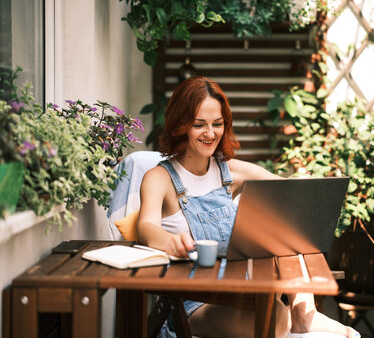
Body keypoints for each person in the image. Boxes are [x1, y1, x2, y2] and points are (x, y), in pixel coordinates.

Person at [137, 76, 360, 338]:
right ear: (181, 125)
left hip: (240, 289)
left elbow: (291, 194)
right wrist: (170, 241)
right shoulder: (159, 178)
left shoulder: (230, 172)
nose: (210, 134)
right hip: (193, 303)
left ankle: (303, 314)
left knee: (283, 224)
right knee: (275, 318)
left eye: (217, 124)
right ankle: (295, 318)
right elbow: (146, 226)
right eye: (200, 125)